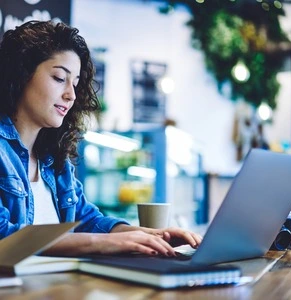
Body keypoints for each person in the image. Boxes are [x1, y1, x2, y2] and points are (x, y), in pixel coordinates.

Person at [0, 20, 201, 257]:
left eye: (75, 83)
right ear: (21, 75)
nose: (71, 94)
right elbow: (4, 237)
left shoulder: (54, 160)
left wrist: (148, 235)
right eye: (58, 78)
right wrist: (104, 243)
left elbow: (87, 219)